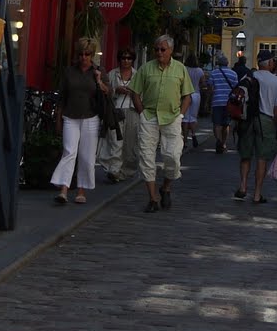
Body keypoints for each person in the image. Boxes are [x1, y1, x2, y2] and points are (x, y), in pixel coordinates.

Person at [133, 35, 194, 213]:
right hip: (150, 116)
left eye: (163, 49)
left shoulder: (180, 69)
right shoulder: (146, 68)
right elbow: (135, 92)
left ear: (171, 51)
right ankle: (152, 198)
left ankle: (166, 187)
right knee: (146, 157)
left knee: (173, 157)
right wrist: (142, 112)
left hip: (172, 117)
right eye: (157, 49)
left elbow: (187, 96)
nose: (159, 52)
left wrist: (181, 115)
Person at [51, 40, 110, 205]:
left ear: (91, 55)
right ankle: (63, 189)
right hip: (70, 116)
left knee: (86, 155)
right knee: (69, 151)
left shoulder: (98, 71)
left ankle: (81, 190)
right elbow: (62, 96)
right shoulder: (70, 71)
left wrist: (99, 81)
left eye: (87, 54)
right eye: (81, 54)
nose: (83, 57)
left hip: (91, 117)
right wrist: (58, 119)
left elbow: (108, 92)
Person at [235, 49, 277, 203]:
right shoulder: (276, 81)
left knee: (245, 155)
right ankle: (257, 194)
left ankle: (243, 186)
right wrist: (276, 125)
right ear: (270, 63)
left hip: (247, 119)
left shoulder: (250, 76)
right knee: (261, 158)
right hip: (266, 119)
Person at [99, 47, 140, 183]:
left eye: (129, 58)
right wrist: (117, 90)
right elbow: (106, 91)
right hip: (115, 111)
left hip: (132, 111)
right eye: (123, 58)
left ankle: (125, 171)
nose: (126, 61)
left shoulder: (138, 75)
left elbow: (142, 94)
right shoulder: (112, 74)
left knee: (130, 144)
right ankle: (114, 170)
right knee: (115, 142)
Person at [207, 54, 238, 153]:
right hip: (229, 102)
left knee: (217, 123)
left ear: (218, 64)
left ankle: (218, 141)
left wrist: (210, 99)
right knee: (226, 124)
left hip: (217, 101)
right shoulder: (233, 74)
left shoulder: (213, 73)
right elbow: (236, 89)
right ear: (227, 63)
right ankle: (224, 143)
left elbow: (210, 88)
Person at [183, 53, 204, 150]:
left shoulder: (184, 69)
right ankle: (194, 134)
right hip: (196, 94)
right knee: (193, 117)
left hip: (186, 93)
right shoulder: (199, 71)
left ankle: (185, 140)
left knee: (185, 118)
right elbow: (202, 83)